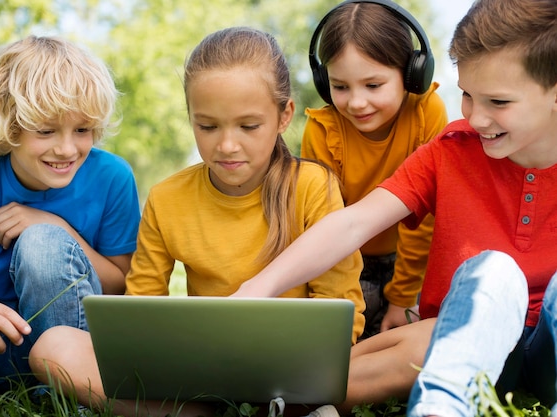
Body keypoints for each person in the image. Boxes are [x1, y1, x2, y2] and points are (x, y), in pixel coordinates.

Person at [233, 0, 557, 415]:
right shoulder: (451, 151)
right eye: (468, 96)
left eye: (499, 102)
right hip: (463, 342)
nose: (475, 117)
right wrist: (259, 287)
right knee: (491, 274)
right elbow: (354, 223)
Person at [28, 27, 365, 417]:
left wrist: (300, 367)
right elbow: (140, 309)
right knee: (53, 347)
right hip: (201, 377)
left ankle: (290, 405)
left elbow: (341, 312)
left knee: (390, 354)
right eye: (207, 126)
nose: (226, 145)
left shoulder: (312, 187)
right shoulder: (167, 198)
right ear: (190, 118)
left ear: (283, 116)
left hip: (293, 372)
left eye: (248, 126)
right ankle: (204, 413)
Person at [0, 35, 140, 397]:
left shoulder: (111, 176)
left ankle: (65, 392)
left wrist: (55, 227)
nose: (66, 148)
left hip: (75, 348)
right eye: (45, 131)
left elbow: (120, 284)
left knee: (43, 241)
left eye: (82, 130)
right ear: (8, 126)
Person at [304, 0, 447, 338]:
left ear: (411, 74)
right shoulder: (323, 130)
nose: (356, 102)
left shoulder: (427, 113)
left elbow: (425, 220)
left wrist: (401, 298)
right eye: (340, 87)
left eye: (373, 85)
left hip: (414, 259)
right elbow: (324, 225)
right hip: (348, 260)